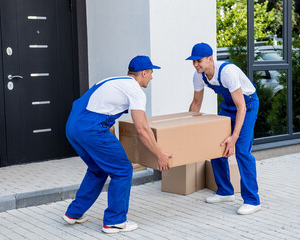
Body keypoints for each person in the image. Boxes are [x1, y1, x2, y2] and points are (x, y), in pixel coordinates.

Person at [62, 55, 173, 233]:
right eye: (151, 73)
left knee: (98, 169)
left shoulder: (114, 81)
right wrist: (159, 154)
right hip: (91, 129)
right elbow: (142, 128)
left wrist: (111, 143)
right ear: (143, 73)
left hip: (73, 126)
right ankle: (114, 221)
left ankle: (73, 213)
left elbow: (104, 110)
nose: (152, 77)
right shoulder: (136, 91)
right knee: (122, 170)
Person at [186, 43, 261, 215]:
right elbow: (196, 103)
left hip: (247, 106)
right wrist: (189, 129)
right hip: (228, 106)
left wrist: (234, 137)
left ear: (210, 58)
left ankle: (252, 200)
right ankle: (225, 191)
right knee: (216, 146)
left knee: (242, 150)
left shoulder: (227, 72)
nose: (196, 64)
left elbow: (241, 106)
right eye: (193, 62)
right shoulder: (199, 76)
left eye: (198, 61)